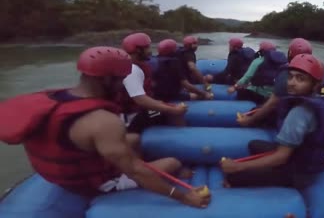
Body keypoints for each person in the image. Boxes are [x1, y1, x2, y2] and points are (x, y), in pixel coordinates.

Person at [0, 46, 210, 208]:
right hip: (92, 183)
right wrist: (183, 196)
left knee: (134, 139)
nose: (122, 86)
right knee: (172, 162)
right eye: (121, 80)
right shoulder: (103, 122)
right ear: (107, 78)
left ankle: (124, 160)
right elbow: (137, 172)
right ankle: (126, 176)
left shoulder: (54, 97)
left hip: (61, 168)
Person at [221, 54, 324, 188]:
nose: (292, 83)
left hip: (299, 172)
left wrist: (238, 166)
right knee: (254, 145)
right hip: (313, 161)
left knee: (233, 177)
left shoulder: (300, 112)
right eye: (290, 77)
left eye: (300, 79)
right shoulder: (323, 103)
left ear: (315, 84)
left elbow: (281, 157)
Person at [237, 38, 324, 127]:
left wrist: (250, 120)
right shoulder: (317, 69)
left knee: (254, 113)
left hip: (290, 115)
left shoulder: (287, 73)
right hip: (311, 112)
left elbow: (272, 103)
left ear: (290, 53)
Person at [118, 33, 187, 133]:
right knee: (173, 112)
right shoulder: (132, 70)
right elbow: (140, 100)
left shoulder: (137, 66)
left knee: (166, 107)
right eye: (147, 48)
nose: (150, 51)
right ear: (138, 50)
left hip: (138, 111)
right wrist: (173, 110)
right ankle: (182, 139)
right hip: (131, 117)